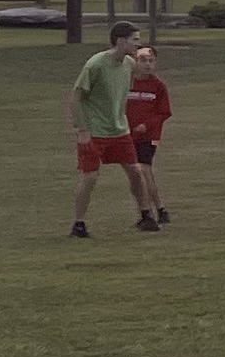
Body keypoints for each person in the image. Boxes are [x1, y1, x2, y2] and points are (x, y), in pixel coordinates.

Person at [67, 18, 158, 238]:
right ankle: (79, 224)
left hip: (119, 131)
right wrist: (82, 130)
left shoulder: (128, 65)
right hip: (95, 132)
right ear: (120, 41)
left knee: (135, 172)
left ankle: (145, 215)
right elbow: (76, 98)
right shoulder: (95, 64)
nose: (138, 45)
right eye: (134, 40)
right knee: (90, 177)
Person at [122, 42, 175, 225]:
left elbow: (164, 112)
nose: (147, 64)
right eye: (143, 60)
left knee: (143, 168)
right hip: (127, 134)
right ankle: (146, 211)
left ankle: (158, 208)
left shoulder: (158, 86)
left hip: (148, 136)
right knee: (134, 174)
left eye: (151, 61)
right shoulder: (127, 82)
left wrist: (147, 125)